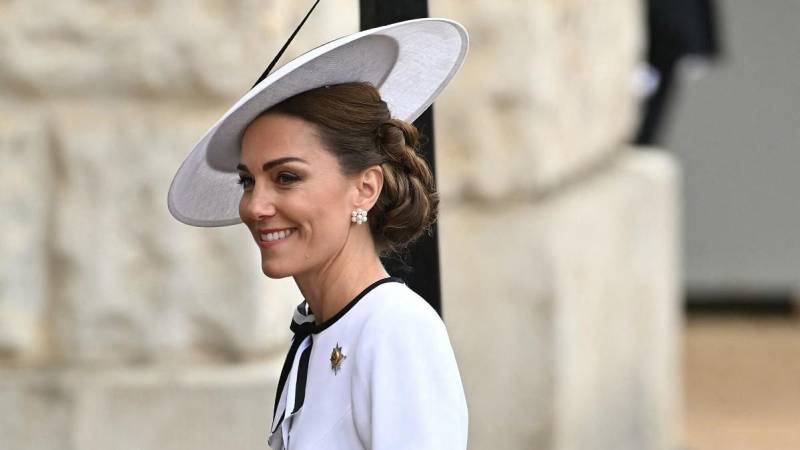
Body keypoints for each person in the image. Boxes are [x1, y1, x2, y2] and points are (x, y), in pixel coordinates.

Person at [167, 18, 469, 450]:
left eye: (286, 177)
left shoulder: (395, 329)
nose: (255, 206)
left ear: (364, 188)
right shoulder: (317, 334)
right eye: (248, 181)